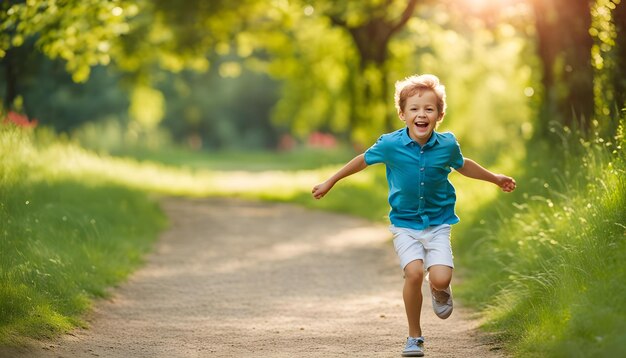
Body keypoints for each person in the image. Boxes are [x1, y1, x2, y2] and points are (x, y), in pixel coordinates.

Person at [311, 74, 516, 357]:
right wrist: (330, 181)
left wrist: (495, 178)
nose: (422, 114)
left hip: (439, 222)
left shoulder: (447, 145)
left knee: (441, 278)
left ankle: (440, 289)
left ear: (439, 115)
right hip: (404, 224)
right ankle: (414, 336)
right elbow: (361, 160)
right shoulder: (389, 144)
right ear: (403, 114)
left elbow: (463, 165)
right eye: (415, 109)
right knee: (414, 273)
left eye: (429, 109)